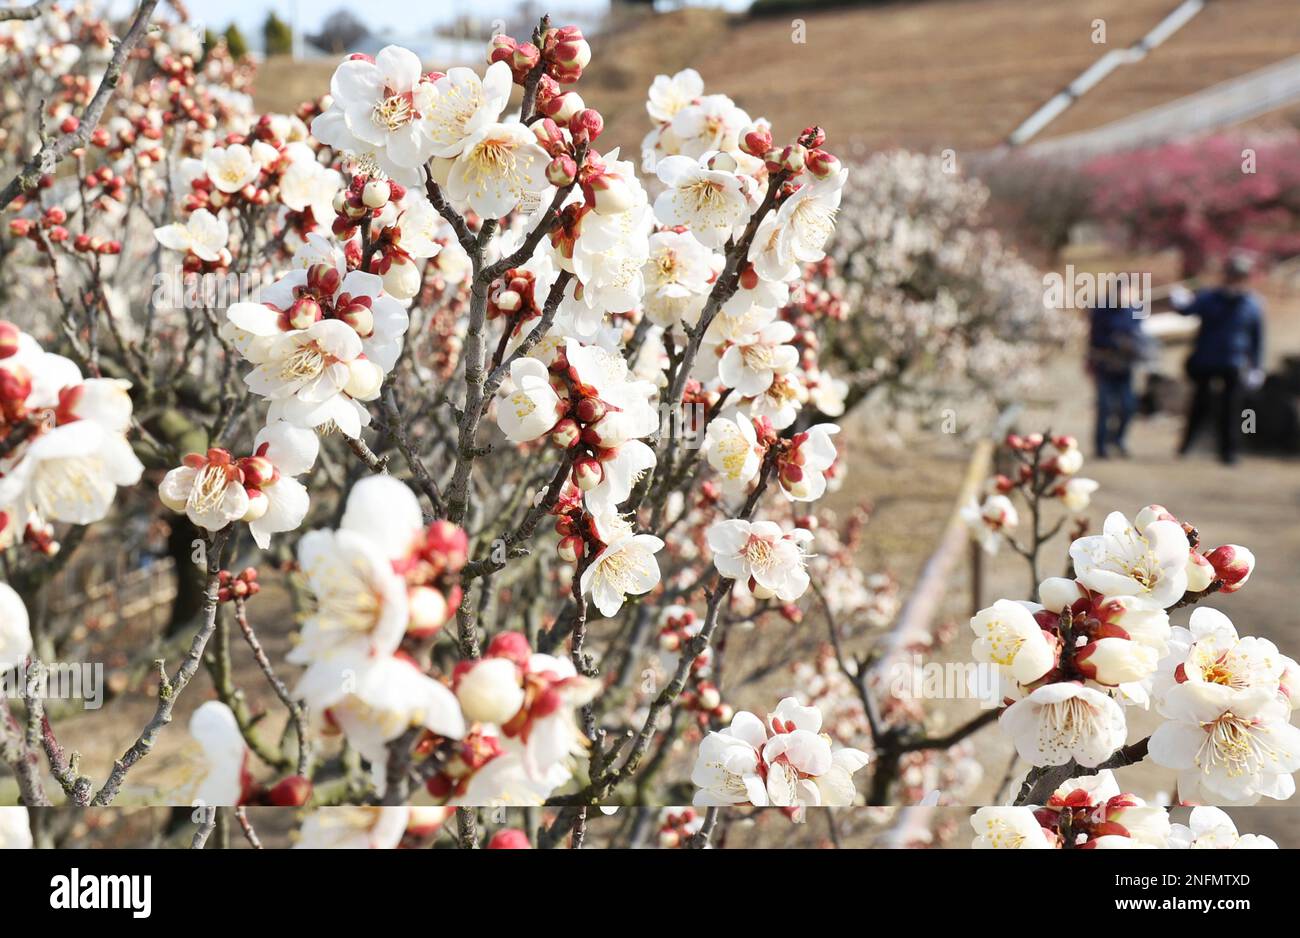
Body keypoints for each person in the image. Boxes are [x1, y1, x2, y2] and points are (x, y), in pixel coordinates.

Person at [1170, 252, 1266, 465]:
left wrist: (1257, 367)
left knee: (1231, 410)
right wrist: (1179, 300)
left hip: (1234, 363)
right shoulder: (1209, 297)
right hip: (1206, 359)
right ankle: (1186, 446)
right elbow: (1187, 311)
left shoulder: (1252, 304)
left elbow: (1257, 338)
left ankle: (1229, 452)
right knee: (1199, 404)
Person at [1087, 290, 1148, 459]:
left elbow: (1139, 332)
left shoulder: (1134, 309)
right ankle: (1100, 446)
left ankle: (1118, 440)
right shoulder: (1101, 309)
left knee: (1128, 407)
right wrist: (1116, 340)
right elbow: (1096, 337)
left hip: (1125, 367)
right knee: (1105, 407)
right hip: (1105, 366)